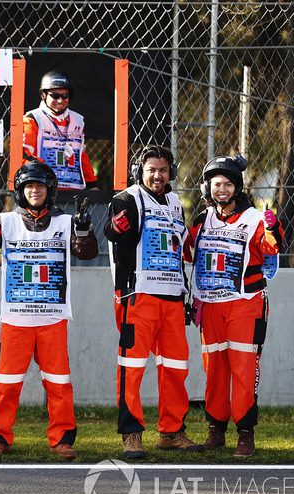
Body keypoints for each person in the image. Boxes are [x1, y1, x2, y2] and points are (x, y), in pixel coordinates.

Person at [0, 161, 98, 459]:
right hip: (16, 318)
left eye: (40, 185)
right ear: (20, 190)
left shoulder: (66, 222)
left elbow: (87, 252)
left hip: (53, 318)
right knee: (7, 382)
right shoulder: (6, 220)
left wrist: (84, 230)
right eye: (29, 186)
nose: (34, 190)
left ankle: (62, 439)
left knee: (59, 383)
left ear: (49, 190)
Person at [103, 145, 203, 459]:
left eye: (162, 170)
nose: (157, 176)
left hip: (172, 299)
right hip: (138, 298)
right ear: (140, 171)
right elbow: (111, 231)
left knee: (175, 368)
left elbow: (184, 248)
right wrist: (114, 227)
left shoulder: (175, 202)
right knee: (131, 368)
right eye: (151, 170)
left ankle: (172, 432)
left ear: (170, 172)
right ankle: (131, 435)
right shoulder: (127, 198)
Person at [184, 154, 284, 458]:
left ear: (237, 187)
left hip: (245, 304)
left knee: (243, 368)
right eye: (217, 184)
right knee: (214, 369)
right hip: (211, 305)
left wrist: (272, 226)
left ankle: (245, 432)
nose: (222, 189)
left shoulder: (254, 218)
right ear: (207, 188)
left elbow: (272, 247)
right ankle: (216, 429)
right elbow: (188, 253)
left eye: (228, 184)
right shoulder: (202, 219)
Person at [23, 70, 98, 190]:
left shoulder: (78, 120)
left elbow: (80, 156)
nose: (60, 100)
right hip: (44, 190)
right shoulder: (32, 119)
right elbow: (25, 155)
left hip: (74, 191)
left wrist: (91, 184)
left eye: (65, 96)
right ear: (44, 95)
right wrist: (44, 178)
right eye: (55, 96)